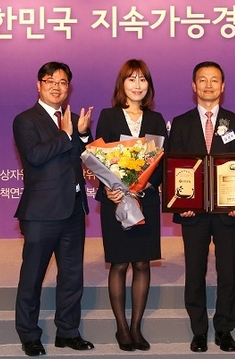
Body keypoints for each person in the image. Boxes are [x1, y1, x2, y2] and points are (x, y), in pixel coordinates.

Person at [167, 61, 235, 353]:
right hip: (194, 213)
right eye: (202, 80)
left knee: (228, 272)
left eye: (214, 80)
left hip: (228, 212)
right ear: (194, 86)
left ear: (223, 86)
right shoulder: (180, 123)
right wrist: (181, 204)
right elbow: (173, 167)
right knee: (195, 271)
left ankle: (224, 329)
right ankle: (199, 330)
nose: (208, 85)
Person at [12, 61, 94, 356]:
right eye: (50, 81)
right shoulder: (26, 120)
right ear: (39, 85)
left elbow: (83, 157)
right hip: (41, 214)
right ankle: (29, 335)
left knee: (72, 277)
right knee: (32, 277)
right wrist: (66, 134)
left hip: (73, 210)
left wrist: (82, 135)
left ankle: (68, 332)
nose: (57, 87)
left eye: (62, 82)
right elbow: (34, 156)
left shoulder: (72, 120)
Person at [94, 59, 168, 352]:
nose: (137, 85)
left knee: (141, 263)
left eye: (142, 80)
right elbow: (99, 158)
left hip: (145, 200)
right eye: (131, 79)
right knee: (120, 263)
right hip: (115, 200)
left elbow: (162, 162)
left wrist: (145, 186)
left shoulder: (156, 119)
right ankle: (121, 328)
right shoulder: (109, 116)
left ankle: (136, 327)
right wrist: (111, 188)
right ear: (122, 84)